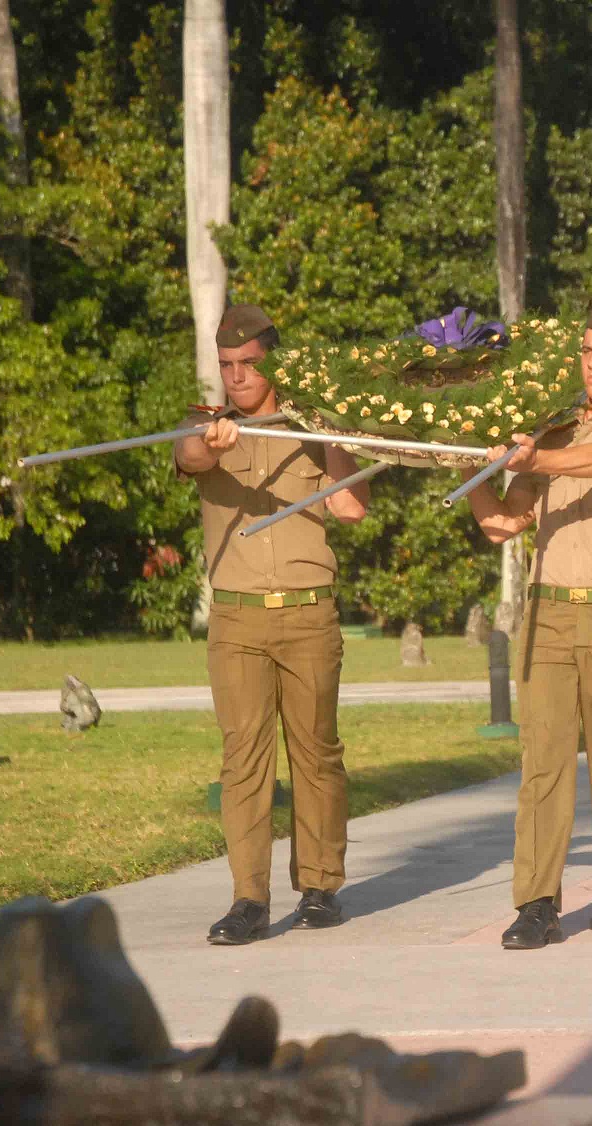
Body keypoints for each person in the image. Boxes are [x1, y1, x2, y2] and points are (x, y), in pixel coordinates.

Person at [464, 290, 592, 948]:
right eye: (586, 351)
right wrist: (473, 466)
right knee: (543, 762)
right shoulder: (552, 432)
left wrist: (534, 460)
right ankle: (536, 902)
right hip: (548, 614)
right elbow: (503, 524)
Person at [175, 304, 371, 946]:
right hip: (236, 618)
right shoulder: (206, 425)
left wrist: (330, 434)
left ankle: (320, 888)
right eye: (227, 366)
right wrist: (214, 440)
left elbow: (350, 510)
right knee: (243, 759)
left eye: (249, 365)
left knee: (316, 751)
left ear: (274, 363)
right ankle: (248, 900)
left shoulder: (312, 423)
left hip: (308, 611)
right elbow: (190, 459)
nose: (236, 377)